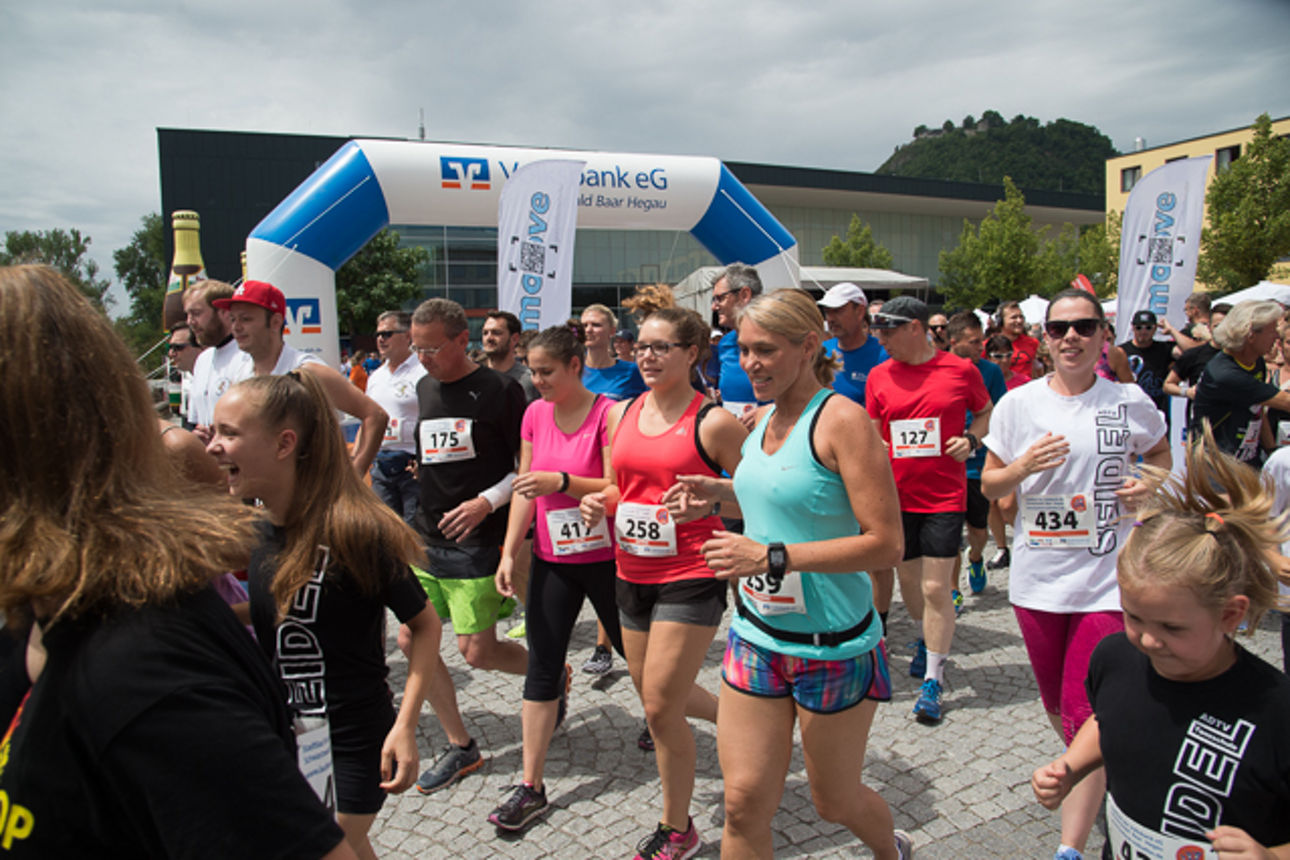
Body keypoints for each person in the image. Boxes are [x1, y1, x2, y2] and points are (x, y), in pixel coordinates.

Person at [0, 265, 352, 858]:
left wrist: (348, 483)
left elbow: (369, 418)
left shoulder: (144, 672)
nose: (229, 324)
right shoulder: (35, 622)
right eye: (227, 315)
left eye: (241, 315)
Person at [672, 289, 911, 859]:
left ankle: (890, 850)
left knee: (834, 801)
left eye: (765, 351)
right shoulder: (759, 419)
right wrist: (719, 495)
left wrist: (773, 557)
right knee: (743, 802)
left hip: (833, 644)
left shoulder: (843, 421)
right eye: (743, 349)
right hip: (757, 636)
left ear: (808, 347)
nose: (750, 363)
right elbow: (782, 497)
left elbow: (887, 544)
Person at [209, 371, 439, 859]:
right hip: (290, 738)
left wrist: (405, 725)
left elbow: (424, 624)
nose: (213, 447)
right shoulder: (263, 528)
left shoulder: (355, 529)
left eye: (228, 433)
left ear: (283, 444)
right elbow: (281, 609)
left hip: (357, 744)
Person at [1032, 434, 1290, 860]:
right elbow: (1110, 715)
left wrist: (1270, 856)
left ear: (1230, 614)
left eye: (1172, 627)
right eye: (1133, 616)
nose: (1148, 640)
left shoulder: (1277, 710)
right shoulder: (1114, 656)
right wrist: (1072, 765)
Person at [983, 287, 1170, 860]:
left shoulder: (1128, 400)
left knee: (1088, 709)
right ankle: (1107, 772)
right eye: (1060, 328)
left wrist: (1150, 485)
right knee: (1061, 711)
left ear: (1101, 337)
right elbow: (991, 485)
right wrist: (1021, 466)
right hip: (1038, 579)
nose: (1072, 337)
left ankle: (1071, 846)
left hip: (1106, 579)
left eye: (1084, 327)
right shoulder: (1018, 404)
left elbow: (1162, 457)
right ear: (1044, 339)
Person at [580, 306, 747, 860]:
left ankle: (678, 829)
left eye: (660, 347)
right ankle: (745, 716)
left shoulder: (714, 423)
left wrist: (713, 496)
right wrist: (594, 501)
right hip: (630, 571)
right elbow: (617, 488)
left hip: (690, 574)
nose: (645, 356)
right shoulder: (619, 413)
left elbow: (757, 496)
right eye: (640, 345)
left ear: (691, 353)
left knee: (658, 708)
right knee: (659, 695)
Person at [487, 324, 625, 832]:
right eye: (532, 370)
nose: (537, 380)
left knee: (644, 664)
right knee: (543, 665)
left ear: (575, 366)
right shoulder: (533, 413)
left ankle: (684, 734)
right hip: (552, 558)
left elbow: (617, 485)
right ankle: (532, 786)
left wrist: (563, 482)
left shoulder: (608, 413)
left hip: (608, 559)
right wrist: (508, 552)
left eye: (546, 371)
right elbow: (526, 488)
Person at [406, 298, 530, 795]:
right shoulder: (422, 386)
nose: (423, 358)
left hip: (478, 538)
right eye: (416, 348)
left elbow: (528, 464)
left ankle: (548, 671)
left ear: (463, 339)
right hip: (425, 537)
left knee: (476, 652)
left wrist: (486, 501)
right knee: (413, 638)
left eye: (431, 348)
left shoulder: (502, 391)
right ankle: (461, 746)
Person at [867, 295, 991, 723]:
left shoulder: (961, 370)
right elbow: (872, 425)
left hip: (943, 495)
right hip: (897, 497)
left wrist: (972, 440)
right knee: (911, 586)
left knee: (937, 589)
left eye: (887, 331)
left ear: (914, 328)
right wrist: (877, 445)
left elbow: (986, 412)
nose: (880, 340)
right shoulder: (880, 375)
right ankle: (924, 638)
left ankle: (933, 680)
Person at [215, 279, 388, 476]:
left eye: (246, 319)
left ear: (275, 322)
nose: (236, 327)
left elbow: (375, 415)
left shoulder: (307, 371)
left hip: (310, 495)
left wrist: (355, 476)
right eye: (233, 319)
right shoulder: (241, 373)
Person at [948, 312, 1007, 600]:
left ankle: (976, 559)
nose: (980, 346)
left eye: (981, 340)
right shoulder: (938, 369)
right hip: (946, 468)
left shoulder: (991, 372)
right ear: (953, 341)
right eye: (973, 342)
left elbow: (998, 413)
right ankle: (953, 590)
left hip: (976, 466)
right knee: (948, 536)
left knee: (978, 530)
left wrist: (975, 439)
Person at [1191, 300, 1290, 466]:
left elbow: (1258, 406)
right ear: (1251, 335)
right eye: (1272, 330)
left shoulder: (1254, 361)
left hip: (1247, 460)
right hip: (1217, 465)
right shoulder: (1225, 374)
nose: (1276, 335)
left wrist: (1271, 450)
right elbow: (1286, 402)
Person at [361, 310, 426, 524]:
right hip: (381, 466)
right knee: (386, 531)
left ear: (408, 336)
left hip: (413, 467)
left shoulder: (424, 372)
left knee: (414, 533)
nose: (381, 339)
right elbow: (367, 419)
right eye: (378, 334)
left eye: (388, 333)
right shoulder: (376, 377)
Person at [183, 279, 249, 442]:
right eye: (188, 314)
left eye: (196, 313)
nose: (190, 322)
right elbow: (194, 421)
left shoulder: (247, 356)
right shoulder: (202, 361)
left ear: (224, 313)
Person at [1163, 302, 1229, 439]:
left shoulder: (1242, 355)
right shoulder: (1194, 355)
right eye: (1217, 326)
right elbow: (1167, 385)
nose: (1221, 330)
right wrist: (1187, 392)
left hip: (1232, 427)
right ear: (1209, 328)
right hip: (1201, 429)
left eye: (1226, 326)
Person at [817, 281, 888, 407]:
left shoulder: (885, 353)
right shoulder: (820, 352)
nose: (830, 318)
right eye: (827, 312)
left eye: (838, 311)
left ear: (860, 311)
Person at [710, 263, 764, 424]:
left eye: (720, 298)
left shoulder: (782, 339)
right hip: (733, 442)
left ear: (744, 295)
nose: (714, 306)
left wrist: (768, 413)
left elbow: (808, 397)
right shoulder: (725, 343)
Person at [1119, 309, 1175, 425]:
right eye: (1139, 327)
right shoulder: (1121, 351)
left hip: (1158, 413)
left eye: (1148, 327)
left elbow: (1191, 352)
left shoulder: (1165, 349)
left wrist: (1172, 330)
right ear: (1133, 328)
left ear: (1155, 328)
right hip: (1130, 413)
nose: (1143, 331)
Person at [582, 303, 647, 401]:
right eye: (584, 325)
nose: (588, 330)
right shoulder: (571, 372)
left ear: (612, 331)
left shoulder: (633, 372)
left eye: (596, 325)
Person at [482, 310, 540, 403]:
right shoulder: (475, 378)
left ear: (514, 339)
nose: (489, 338)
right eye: (485, 333)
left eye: (496, 333)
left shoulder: (531, 381)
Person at [990, 301, 1041, 383]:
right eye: (1014, 317)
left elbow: (1036, 368)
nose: (1019, 321)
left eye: (1021, 317)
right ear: (1001, 321)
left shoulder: (1032, 343)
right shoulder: (989, 345)